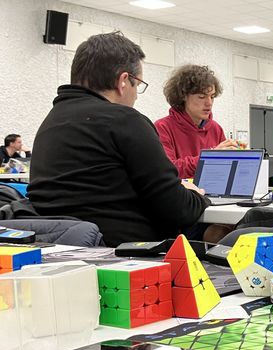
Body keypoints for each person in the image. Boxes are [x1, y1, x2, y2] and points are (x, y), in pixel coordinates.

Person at [28, 32, 210, 247]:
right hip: (125, 255)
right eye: (138, 84)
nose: (135, 95)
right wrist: (198, 196)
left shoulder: (52, 122)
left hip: (60, 250)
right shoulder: (126, 120)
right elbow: (178, 208)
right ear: (124, 81)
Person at [155, 64, 238, 179]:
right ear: (183, 96)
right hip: (180, 195)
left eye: (212, 96)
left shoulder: (216, 129)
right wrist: (210, 158)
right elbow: (168, 170)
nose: (209, 103)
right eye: (201, 97)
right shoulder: (163, 127)